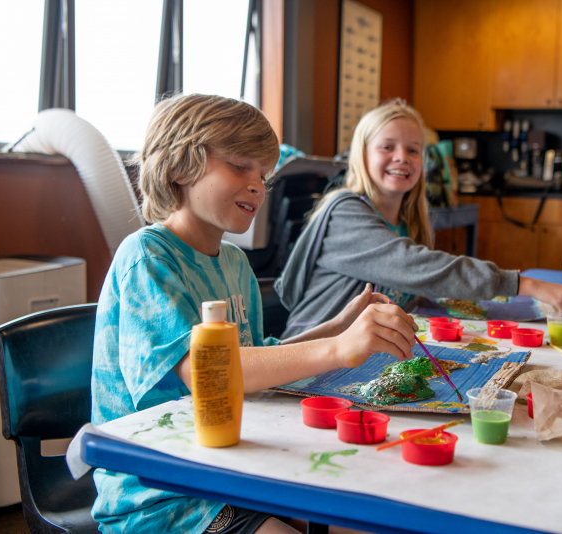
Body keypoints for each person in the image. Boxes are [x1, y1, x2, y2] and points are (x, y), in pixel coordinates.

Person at [90, 93, 418, 534]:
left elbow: (257, 362)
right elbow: (208, 373)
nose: (258, 185)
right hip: (164, 492)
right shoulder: (147, 258)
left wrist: (335, 328)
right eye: (239, 165)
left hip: (234, 465)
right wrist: (338, 349)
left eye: (263, 174)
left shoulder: (234, 264)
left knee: (365, 516)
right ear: (178, 166)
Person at [274, 99, 562, 339]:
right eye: (387, 147)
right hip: (310, 357)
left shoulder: (410, 223)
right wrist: (522, 284)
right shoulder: (346, 212)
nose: (402, 157)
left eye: (413, 149)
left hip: (362, 355)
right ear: (362, 154)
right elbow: (418, 267)